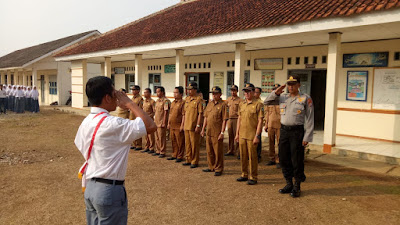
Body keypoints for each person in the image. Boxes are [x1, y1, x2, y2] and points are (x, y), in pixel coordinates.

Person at [75, 76, 156, 225]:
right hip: (108, 190)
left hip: (91, 187)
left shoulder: (86, 121)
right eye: (114, 94)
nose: (118, 97)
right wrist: (130, 104)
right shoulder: (114, 124)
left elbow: (80, 144)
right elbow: (150, 125)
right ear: (107, 98)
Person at [264, 75, 314, 198]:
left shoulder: (305, 98)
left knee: (296, 159)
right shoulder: (282, 97)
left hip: (297, 132)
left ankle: (297, 185)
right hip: (284, 131)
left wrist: (307, 136)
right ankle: (288, 183)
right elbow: (266, 102)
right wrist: (276, 92)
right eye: (289, 84)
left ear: (299, 85)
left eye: (293, 84)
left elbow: (310, 118)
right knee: (283, 158)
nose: (290, 86)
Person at [235, 83, 264, 185]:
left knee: (252, 156)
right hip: (242, 134)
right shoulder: (242, 104)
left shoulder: (258, 104)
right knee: (243, 155)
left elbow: (260, 121)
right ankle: (244, 174)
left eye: (248, 91)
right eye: (245, 92)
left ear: (253, 92)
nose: (246, 93)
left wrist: (257, 135)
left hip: (252, 135)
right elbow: (239, 118)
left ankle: (253, 176)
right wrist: (237, 133)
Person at [201, 86, 228, 176]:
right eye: (213, 94)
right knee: (209, 151)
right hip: (209, 131)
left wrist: (222, 132)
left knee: (218, 152)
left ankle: (218, 168)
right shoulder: (209, 104)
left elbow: (224, 119)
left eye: (216, 94)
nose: (214, 95)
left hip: (217, 132)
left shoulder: (223, 105)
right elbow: (206, 117)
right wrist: (202, 129)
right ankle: (211, 166)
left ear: (220, 94)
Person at [182, 82, 204, 168]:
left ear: (195, 90)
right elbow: (184, 113)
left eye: (191, 89)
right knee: (187, 144)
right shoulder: (187, 99)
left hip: (194, 125)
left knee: (194, 144)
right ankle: (188, 159)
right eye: (188, 89)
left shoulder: (199, 100)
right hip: (187, 125)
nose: (189, 91)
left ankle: (194, 161)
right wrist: (183, 124)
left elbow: (200, 114)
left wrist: (198, 125)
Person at [264, 84, 282, 168]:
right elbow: (267, 114)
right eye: (274, 90)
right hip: (271, 124)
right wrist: (266, 124)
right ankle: (272, 158)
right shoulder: (269, 102)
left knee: (280, 143)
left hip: (280, 125)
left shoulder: (282, 101)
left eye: (276, 90)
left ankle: (279, 159)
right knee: (271, 143)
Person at [167, 86, 185, 162]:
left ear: (181, 94)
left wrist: (182, 125)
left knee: (180, 141)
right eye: (174, 92)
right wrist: (168, 123)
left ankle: (180, 156)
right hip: (172, 125)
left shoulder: (183, 103)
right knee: (173, 140)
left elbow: (184, 115)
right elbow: (170, 114)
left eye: (176, 92)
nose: (174, 94)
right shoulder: (173, 102)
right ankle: (174, 154)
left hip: (178, 125)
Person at [152, 86, 170, 158]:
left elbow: (166, 112)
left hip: (161, 122)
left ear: (162, 92)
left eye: (158, 92)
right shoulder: (157, 101)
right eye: (156, 92)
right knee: (157, 137)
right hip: (156, 121)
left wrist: (164, 122)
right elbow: (155, 112)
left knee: (162, 137)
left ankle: (162, 151)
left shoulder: (165, 101)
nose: (157, 93)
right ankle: (158, 150)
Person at [225, 85, 241, 159]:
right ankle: (230, 150)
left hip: (236, 119)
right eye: (231, 90)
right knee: (230, 135)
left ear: (237, 91)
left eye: (234, 90)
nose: (233, 92)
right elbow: (226, 109)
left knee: (237, 136)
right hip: (229, 119)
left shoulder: (240, 100)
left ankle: (238, 152)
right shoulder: (228, 99)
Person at [129, 85, 144, 151]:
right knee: (133, 130)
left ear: (138, 91)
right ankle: (134, 143)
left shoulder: (140, 99)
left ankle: (139, 145)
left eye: (134, 90)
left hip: (136, 117)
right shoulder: (132, 98)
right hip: (131, 116)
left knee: (138, 130)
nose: (133, 91)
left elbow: (140, 109)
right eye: (132, 90)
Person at [141, 88, 156, 154]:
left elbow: (154, 111)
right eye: (144, 92)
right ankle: (146, 146)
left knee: (151, 135)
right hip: (144, 120)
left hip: (150, 120)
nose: (144, 94)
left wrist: (149, 116)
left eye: (146, 92)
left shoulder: (152, 102)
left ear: (149, 93)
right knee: (145, 134)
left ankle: (151, 147)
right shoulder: (143, 101)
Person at [254, 87, 263, 162]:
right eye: (254, 92)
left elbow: (263, 115)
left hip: (258, 124)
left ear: (259, 93)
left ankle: (258, 155)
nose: (254, 93)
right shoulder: (251, 101)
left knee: (258, 139)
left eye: (256, 92)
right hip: (251, 124)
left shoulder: (261, 103)